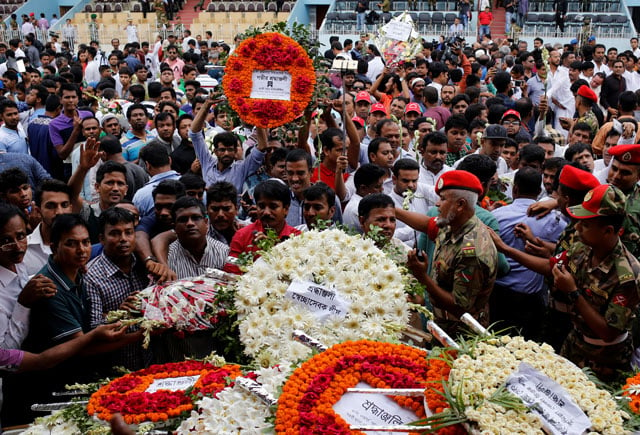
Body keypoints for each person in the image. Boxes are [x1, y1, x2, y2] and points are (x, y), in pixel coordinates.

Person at [407, 170, 498, 335]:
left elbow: (458, 307)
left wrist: (422, 276)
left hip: (459, 333)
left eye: (442, 199)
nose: (437, 204)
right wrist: (394, 211)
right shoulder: (454, 223)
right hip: (441, 322)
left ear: (460, 204)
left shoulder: (472, 253)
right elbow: (429, 224)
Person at [490, 168, 567, 340]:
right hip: (530, 296)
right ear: (539, 192)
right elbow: (565, 250)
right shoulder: (554, 221)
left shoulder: (496, 216)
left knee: (495, 341)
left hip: (499, 293)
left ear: (515, 189)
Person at [84, 207, 150, 370]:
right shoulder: (92, 276)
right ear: (102, 239)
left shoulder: (144, 265)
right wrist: (117, 314)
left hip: (151, 361)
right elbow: (93, 327)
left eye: (128, 232)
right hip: (116, 366)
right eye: (114, 233)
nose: (123, 239)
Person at [226, 180, 301, 272]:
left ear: (286, 209)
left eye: (273, 207)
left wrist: (272, 250)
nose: (266, 212)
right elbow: (231, 273)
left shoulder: (297, 239)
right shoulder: (242, 235)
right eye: (261, 206)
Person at [167, 196, 230, 278]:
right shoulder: (167, 258)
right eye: (183, 219)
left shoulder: (224, 253)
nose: (190, 223)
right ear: (174, 227)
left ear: (206, 222)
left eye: (196, 218)